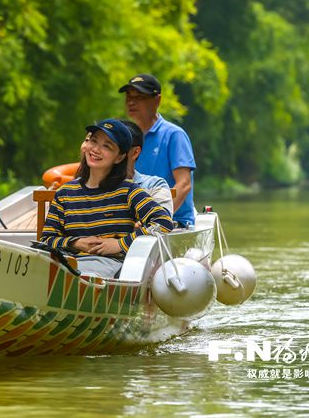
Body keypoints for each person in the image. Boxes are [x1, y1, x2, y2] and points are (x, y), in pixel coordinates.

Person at [40, 119, 174, 278]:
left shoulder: (128, 191)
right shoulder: (64, 193)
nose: (95, 149)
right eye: (93, 141)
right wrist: (76, 243)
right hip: (68, 265)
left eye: (106, 146)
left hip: (109, 271)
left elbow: (163, 222)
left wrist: (119, 244)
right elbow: (47, 240)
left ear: (119, 157)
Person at [120, 74, 196, 227]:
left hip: (173, 222)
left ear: (157, 100)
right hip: (133, 220)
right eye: (129, 96)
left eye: (139, 97)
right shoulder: (124, 136)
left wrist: (158, 218)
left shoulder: (174, 135)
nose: (131, 102)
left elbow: (184, 184)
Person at [120, 119, 174, 218]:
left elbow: (162, 223)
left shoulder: (154, 185)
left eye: (119, 146)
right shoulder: (89, 185)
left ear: (135, 152)